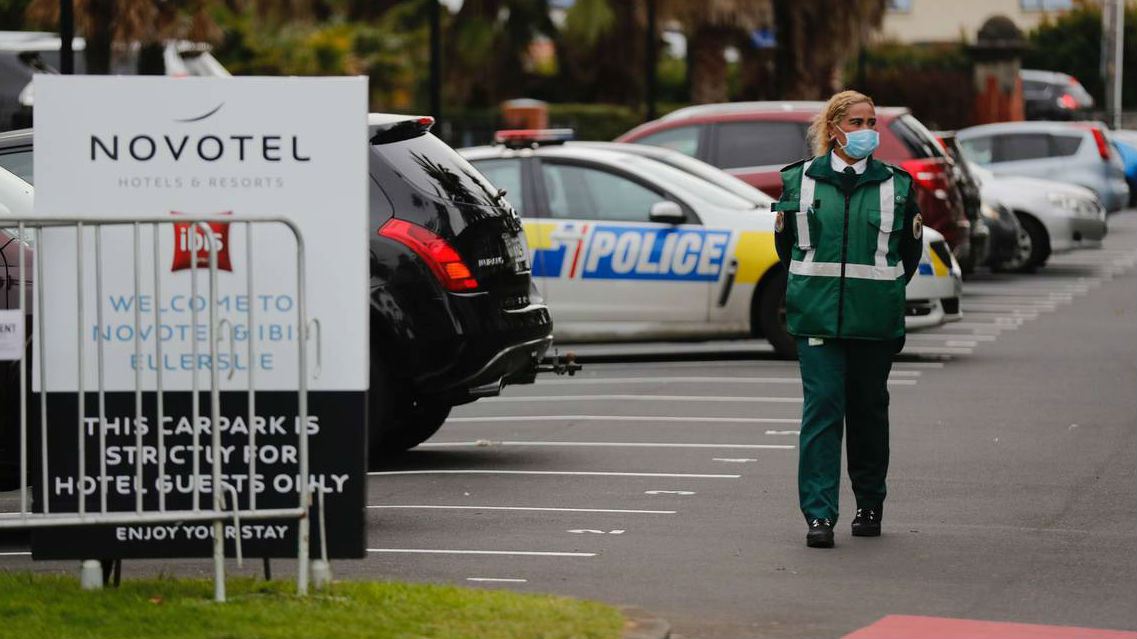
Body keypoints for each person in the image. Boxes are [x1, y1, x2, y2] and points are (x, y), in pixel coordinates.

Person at [772, 90, 923, 548]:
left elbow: (908, 254)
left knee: (868, 414)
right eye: (856, 123)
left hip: (874, 321)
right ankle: (819, 516)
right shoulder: (799, 183)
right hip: (817, 319)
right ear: (833, 128)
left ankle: (870, 504)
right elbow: (789, 251)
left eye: (871, 123)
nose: (866, 132)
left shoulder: (897, 185)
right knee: (821, 414)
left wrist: (883, 293)